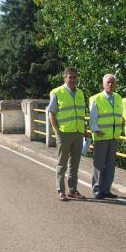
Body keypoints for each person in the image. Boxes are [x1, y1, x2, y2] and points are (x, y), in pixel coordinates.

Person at [48, 67, 88, 201]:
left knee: (75, 164)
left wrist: (85, 130)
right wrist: (57, 131)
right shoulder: (57, 92)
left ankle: (72, 190)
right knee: (62, 163)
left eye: (75, 77)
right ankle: (60, 190)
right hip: (64, 133)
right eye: (70, 77)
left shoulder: (80, 93)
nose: (72, 80)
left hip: (78, 133)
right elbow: (51, 113)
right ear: (65, 78)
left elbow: (81, 114)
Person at [89, 74, 123, 199]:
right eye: (108, 82)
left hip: (114, 136)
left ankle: (106, 189)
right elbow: (93, 117)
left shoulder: (118, 98)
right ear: (103, 84)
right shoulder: (96, 98)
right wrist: (95, 129)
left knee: (110, 165)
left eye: (113, 82)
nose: (110, 84)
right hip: (101, 136)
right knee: (99, 165)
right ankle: (97, 190)